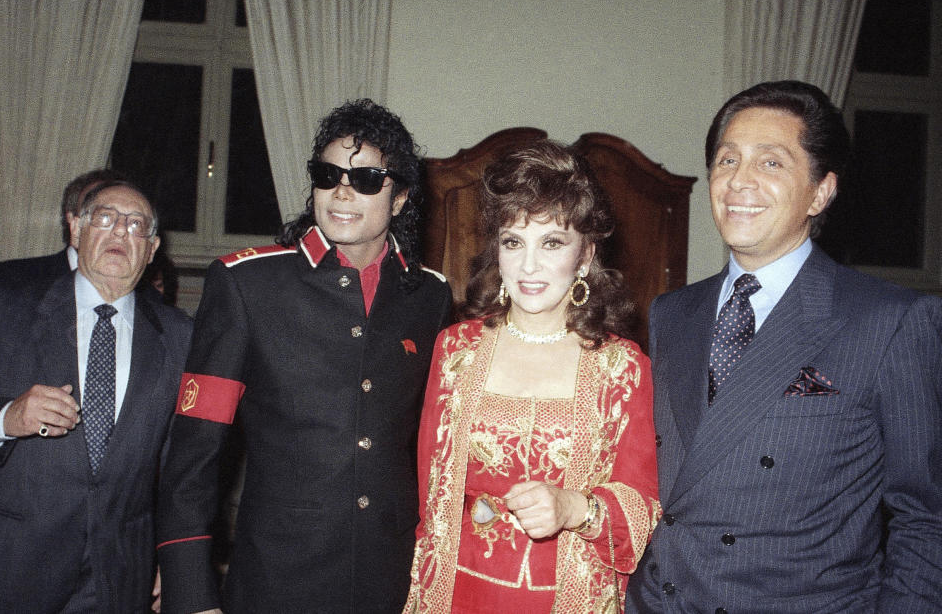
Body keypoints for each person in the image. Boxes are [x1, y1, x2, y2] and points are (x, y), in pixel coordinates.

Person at [625, 81, 942, 613]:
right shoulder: (671, 313)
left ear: (821, 192)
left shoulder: (889, 320)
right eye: (727, 160)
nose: (738, 181)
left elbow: (926, 519)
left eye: (770, 163)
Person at [156, 98, 454, 613]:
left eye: (365, 179)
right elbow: (193, 454)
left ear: (401, 197)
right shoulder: (248, 284)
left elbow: (437, 446)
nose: (342, 190)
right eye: (328, 174)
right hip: (278, 578)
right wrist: (190, 592)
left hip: (393, 578)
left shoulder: (429, 297)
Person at [403, 140, 660, 612]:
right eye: (513, 241)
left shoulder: (623, 368)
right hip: (459, 595)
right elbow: (431, 504)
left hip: (567, 600)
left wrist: (574, 508)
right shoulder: (455, 351)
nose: (529, 266)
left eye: (552, 243)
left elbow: (643, 513)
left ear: (584, 256)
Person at [0, 181, 192, 612]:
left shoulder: (180, 336)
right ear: (76, 231)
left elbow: (182, 467)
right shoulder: (2, 309)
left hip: (120, 573)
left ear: (151, 249)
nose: (120, 233)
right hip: (11, 565)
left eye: (136, 226)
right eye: (106, 218)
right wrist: (7, 417)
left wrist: (173, 560)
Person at [0, 168, 124, 287]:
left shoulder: (143, 294)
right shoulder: (15, 277)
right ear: (74, 222)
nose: (119, 228)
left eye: (134, 221)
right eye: (103, 216)